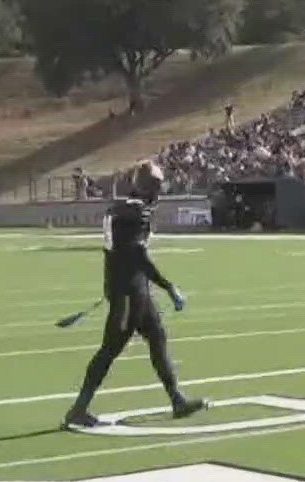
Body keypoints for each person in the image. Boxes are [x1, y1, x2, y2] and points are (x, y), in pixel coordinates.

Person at [62, 161, 209, 429]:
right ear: (151, 189)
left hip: (127, 286)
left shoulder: (119, 208)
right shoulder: (137, 213)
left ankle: (176, 399)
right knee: (110, 349)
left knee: (156, 336)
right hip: (130, 291)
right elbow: (137, 255)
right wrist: (169, 286)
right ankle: (78, 408)